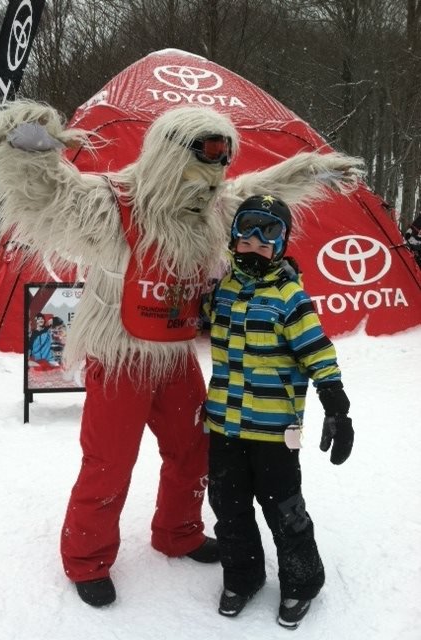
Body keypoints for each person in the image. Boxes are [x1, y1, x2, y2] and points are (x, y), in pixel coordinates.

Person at [0, 98, 362, 608]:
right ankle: (87, 558)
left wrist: (312, 169)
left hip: (174, 356)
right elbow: (52, 196)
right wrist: (30, 152)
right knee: (109, 461)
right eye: (206, 164)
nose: (216, 180)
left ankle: (179, 531)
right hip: (119, 357)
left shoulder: (214, 210)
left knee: (193, 449)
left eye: (223, 165)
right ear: (170, 155)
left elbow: (258, 191)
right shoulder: (112, 201)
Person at [203, 195, 354, 630]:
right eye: (247, 233)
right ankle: (244, 576)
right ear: (234, 237)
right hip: (225, 426)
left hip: (272, 433)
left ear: (281, 243)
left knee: (285, 510)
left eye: (266, 236)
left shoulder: (290, 297)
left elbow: (318, 352)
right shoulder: (223, 289)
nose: (254, 243)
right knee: (228, 508)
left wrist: (337, 407)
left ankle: (301, 583)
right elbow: (197, 318)